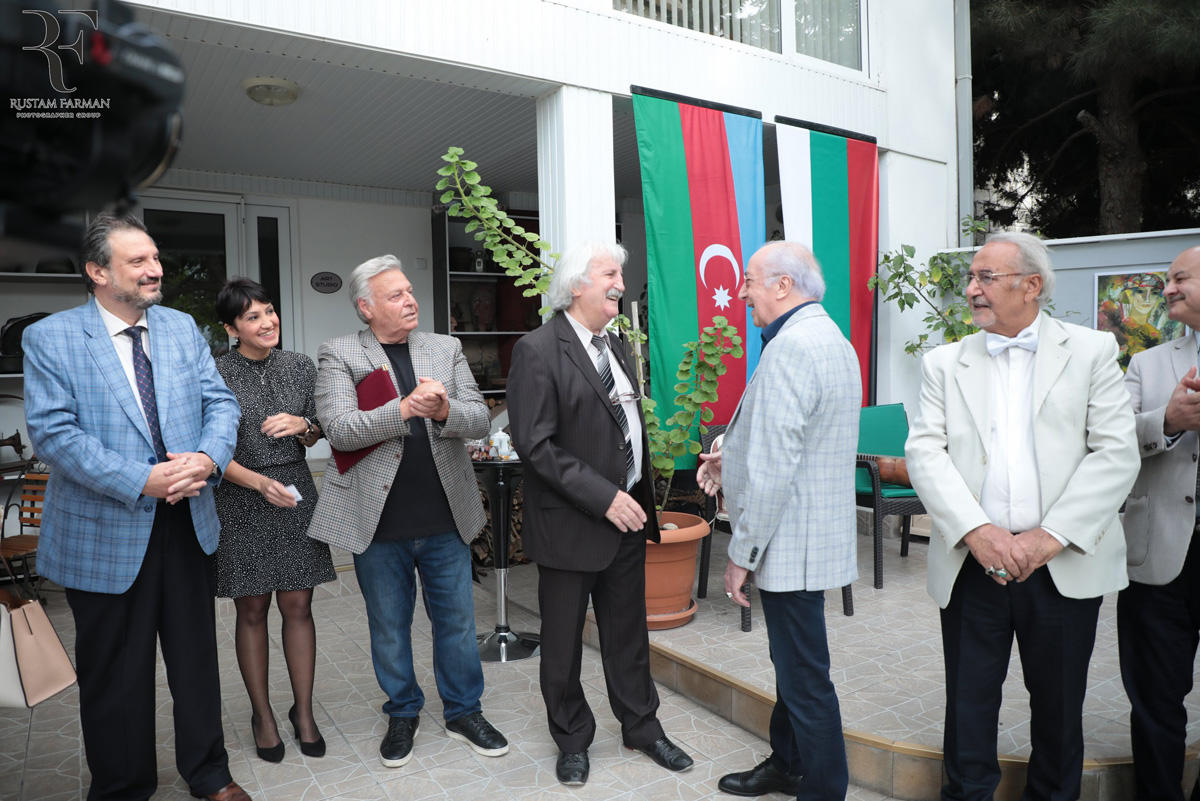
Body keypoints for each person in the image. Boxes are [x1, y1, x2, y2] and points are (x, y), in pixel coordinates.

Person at [904, 231, 1140, 801]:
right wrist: (977, 532)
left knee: (1059, 704)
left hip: (1061, 564)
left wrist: (1048, 537)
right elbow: (925, 453)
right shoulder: (944, 362)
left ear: (1031, 285)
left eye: (986, 277)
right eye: (972, 277)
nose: (971, 289)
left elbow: (1115, 452)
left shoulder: (1091, 351)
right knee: (968, 700)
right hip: (972, 563)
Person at [22, 213, 249, 801]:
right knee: (116, 675)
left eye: (155, 257)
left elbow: (220, 402)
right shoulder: (51, 338)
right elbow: (54, 434)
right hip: (105, 531)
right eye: (138, 261)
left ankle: (210, 773)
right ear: (98, 272)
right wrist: (139, 479)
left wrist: (208, 457)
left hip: (188, 521)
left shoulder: (180, 327)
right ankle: (123, 788)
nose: (155, 270)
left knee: (196, 661)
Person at [306, 255, 508, 769]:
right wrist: (404, 409)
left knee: (457, 624)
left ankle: (464, 712)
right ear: (366, 307)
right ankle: (402, 713)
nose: (410, 300)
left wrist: (443, 410)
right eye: (395, 295)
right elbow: (340, 429)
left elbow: (479, 420)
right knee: (390, 628)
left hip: (445, 517)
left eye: (410, 291)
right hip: (378, 522)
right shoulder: (339, 353)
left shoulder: (445, 348)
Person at [507, 242, 693, 787]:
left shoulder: (615, 346)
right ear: (576, 286)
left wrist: (629, 497)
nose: (621, 283)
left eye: (621, 273)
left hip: (626, 521)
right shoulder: (537, 350)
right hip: (571, 524)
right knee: (563, 643)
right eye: (610, 273)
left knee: (628, 634)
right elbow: (535, 445)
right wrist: (604, 496)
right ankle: (571, 738)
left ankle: (642, 727)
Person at [694, 241, 859, 801]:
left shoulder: (792, 347)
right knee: (794, 666)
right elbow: (801, 442)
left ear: (783, 286)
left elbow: (775, 468)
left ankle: (823, 788)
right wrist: (732, 458)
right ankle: (788, 764)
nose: (742, 293)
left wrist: (740, 554)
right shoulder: (830, 338)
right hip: (810, 535)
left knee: (805, 679)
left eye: (750, 281)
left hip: (790, 541)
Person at [212, 278, 337, 762]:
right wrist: (258, 483)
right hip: (240, 494)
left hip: (295, 490)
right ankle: (262, 716)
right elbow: (210, 450)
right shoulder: (215, 372)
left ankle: (303, 712)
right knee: (252, 608)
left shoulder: (300, 366)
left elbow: (320, 428)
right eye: (252, 317)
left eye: (269, 311)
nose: (267, 322)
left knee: (299, 605)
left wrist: (304, 425)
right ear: (232, 329)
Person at [1119, 245, 1200, 801]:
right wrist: (1166, 420)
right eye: (1167, 279)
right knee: (1154, 699)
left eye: (1180, 278)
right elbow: (1109, 441)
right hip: (1160, 558)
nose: (1167, 288)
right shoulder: (1146, 364)